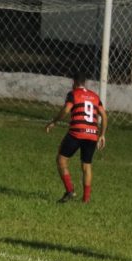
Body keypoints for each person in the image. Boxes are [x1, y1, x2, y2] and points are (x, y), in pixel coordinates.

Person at [44, 73, 108, 203]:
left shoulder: (73, 94)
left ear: (74, 82)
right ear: (85, 83)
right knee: (86, 165)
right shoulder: (95, 96)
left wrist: (54, 121)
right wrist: (102, 135)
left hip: (77, 133)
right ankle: (86, 200)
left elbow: (67, 109)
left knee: (61, 160)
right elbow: (104, 115)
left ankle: (70, 191)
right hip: (92, 134)